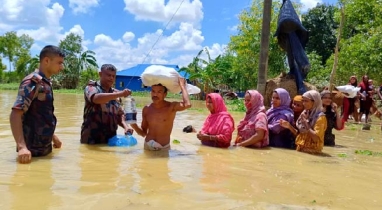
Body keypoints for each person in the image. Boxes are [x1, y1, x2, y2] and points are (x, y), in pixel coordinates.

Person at [9, 45, 65, 164]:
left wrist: (53, 137)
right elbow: (16, 114)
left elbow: (41, 115)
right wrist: (22, 147)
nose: (62, 67)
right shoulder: (32, 82)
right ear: (46, 61)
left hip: (44, 149)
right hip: (30, 154)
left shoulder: (46, 83)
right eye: (59, 63)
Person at [131, 78, 192, 150]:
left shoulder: (171, 107)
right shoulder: (146, 109)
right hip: (147, 146)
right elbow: (143, 133)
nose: (155, 94)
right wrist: (133, 124)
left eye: (159, 92)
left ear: (165, 94)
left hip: (163, 148)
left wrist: (182, 85)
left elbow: (187, 104)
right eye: (153, 91)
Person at [80, 64, 134, 144]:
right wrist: (120, 94)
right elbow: (96, 99)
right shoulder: (91, 88)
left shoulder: (116, 93)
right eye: (108, 75)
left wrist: (126, 126)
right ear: (100, 74)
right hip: (91, 138)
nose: (111, 78)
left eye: (113, 76)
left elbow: (120, 116)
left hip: (110, 139)